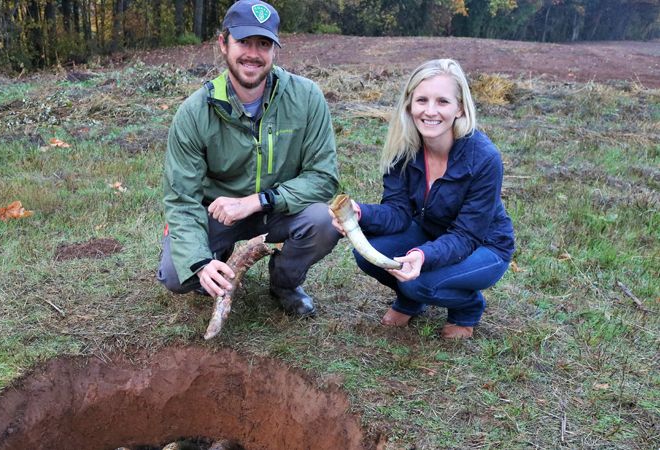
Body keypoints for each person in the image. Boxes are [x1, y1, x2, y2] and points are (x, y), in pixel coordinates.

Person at [157, 0, 340, 317]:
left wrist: (259, 200)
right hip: (218, 215)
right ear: (223, 44)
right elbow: (181, 197)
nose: (253, 54)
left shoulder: (307, 98)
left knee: (324, 221)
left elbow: (323, 178)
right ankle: (215, 258)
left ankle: (285, 283)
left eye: (264, 44)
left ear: (274, 50)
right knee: (176, 273)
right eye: (244, 41)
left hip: (277, 209)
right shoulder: (194, 112)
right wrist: (198, 261)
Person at [331, 59, 515, 339]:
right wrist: (361, 215)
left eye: (442, 101)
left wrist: (422, 255)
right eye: (422, 100)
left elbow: (467, 235)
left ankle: (467, 307)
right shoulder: (403, 148)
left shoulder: (485, 158)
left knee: (418, 283)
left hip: (484, 246)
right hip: (431, 232)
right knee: (368, 255)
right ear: (409, 105)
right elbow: (398, 212)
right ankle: (410, 301)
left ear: (460, 108)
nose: (430, 111)